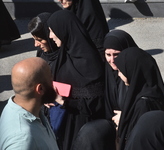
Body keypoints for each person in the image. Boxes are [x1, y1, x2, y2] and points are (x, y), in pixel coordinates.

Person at [47, 9, 105, 150]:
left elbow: (96, 102)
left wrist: (65, 102)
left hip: (83, 128)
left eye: (52, 31)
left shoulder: (89, 63)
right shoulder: (63, 55)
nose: (50, 36)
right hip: (62, 123)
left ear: (64, 29)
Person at [114, 47, 164, 149]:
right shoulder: (150, 90)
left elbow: (137, 136)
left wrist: (123, 121)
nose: (118, 74)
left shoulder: (144, 104)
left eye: (121, 70)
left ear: (132, 70)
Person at [0, 57, 59, 150]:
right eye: (50, 77)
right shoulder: (22, 140)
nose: (53, 82)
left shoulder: (30, 109)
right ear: (40, 89)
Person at [28, 12, 67, 149]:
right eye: (34, 39)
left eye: (39, 39)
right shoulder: (42, 54)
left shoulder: (67, 56)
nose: (36, 44)